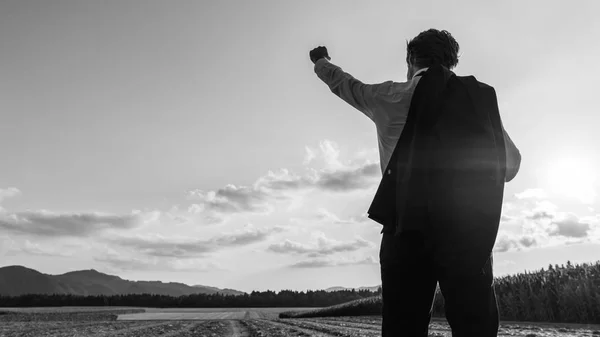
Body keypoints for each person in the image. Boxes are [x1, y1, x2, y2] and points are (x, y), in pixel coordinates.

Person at [309, 29, 521, 337]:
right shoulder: (480, 98)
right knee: (475, 327)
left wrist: (321, 61)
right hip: (468, 235)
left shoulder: (386, 96)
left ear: (411, 60)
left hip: (404, 232)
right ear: (453, 63)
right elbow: (511, 165)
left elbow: (344, 84)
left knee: (403, 327)